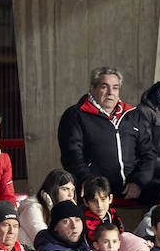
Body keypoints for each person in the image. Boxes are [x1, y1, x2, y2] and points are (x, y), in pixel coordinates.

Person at [58, 67, 153, 200]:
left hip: (132, 191)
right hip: (94, 194)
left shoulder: (134, 115)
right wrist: (89, 182)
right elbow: (72, 155)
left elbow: (148, 153)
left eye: (115, 87)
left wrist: (138, 182)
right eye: (104, 86)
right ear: (92, 88)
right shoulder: (75, 115)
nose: (110, 92)